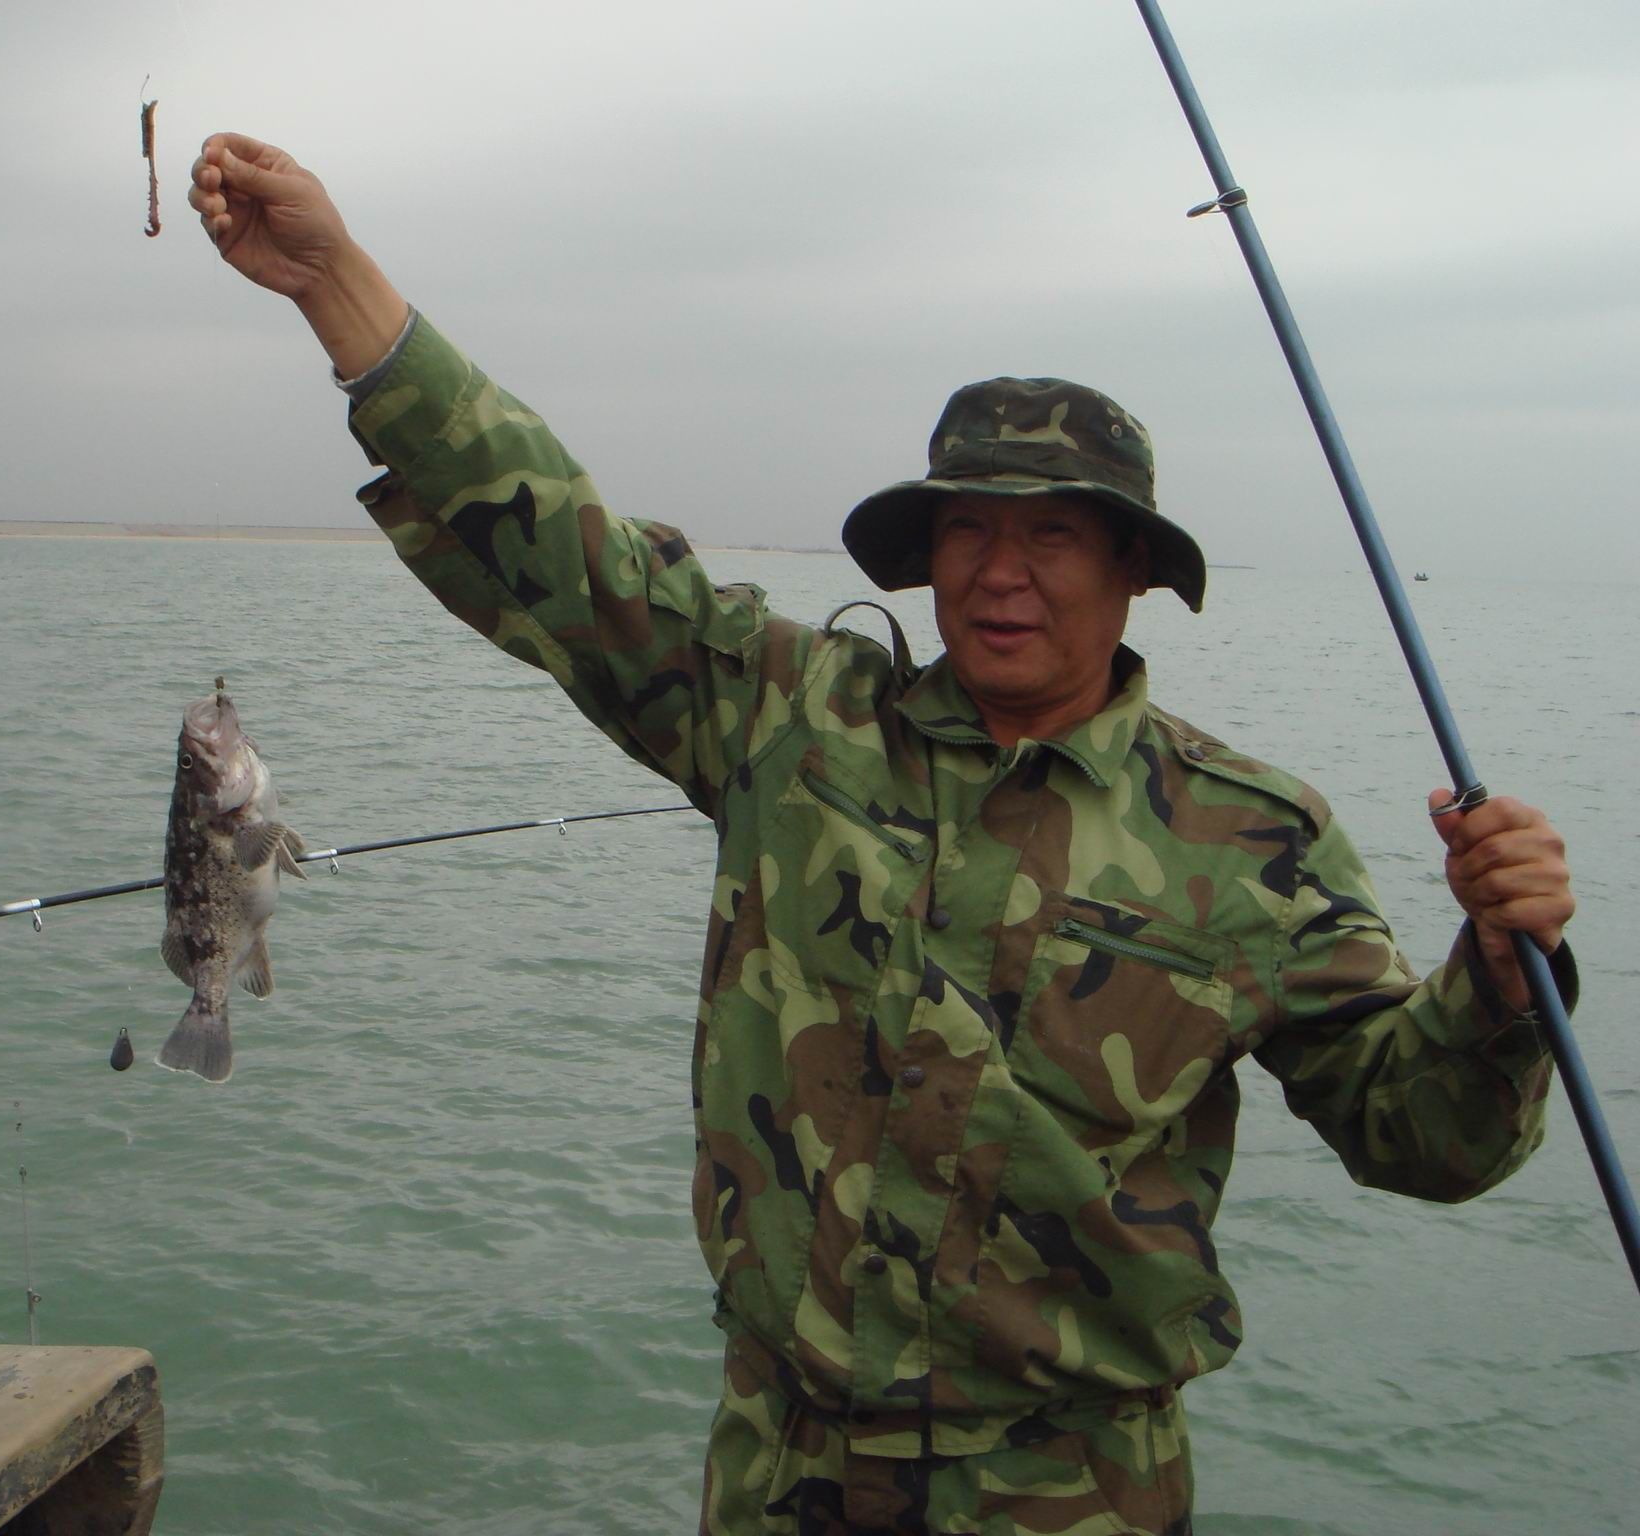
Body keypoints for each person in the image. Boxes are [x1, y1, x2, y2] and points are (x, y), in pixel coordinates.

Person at [187, 134, 1577, 1536]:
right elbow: (559, 551)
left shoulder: (1252, 839)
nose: (1001, 571)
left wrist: (1502, 984)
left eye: (1054, 537)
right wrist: (337, 288)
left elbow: (1426, 1140)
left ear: (1134, 572)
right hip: (780, 1466)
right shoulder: (787, 714)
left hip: (1070, 1492)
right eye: (968, 528)